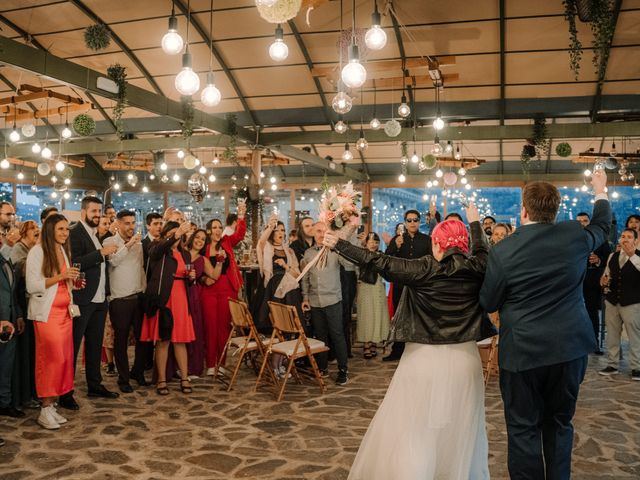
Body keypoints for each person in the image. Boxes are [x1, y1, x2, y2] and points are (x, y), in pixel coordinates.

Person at [324, 204, 492, 479]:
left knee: (416, 428)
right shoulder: (478, 267)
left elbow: (377, 261)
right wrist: (474, 222)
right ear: (463, 245)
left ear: (437, 243)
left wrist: (340, 244)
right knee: (460, 428)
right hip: (465, 362)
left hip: (423, 360)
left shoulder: (423, 269)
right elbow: (483, 250)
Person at [480, 171, 610, 480]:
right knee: (560, 424)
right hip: (569, 350)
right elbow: (603, 226)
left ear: (523, 210)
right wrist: (600, 189)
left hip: (522, 353)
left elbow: (489, 302)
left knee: (523, 429)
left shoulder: (503, 250)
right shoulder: (574, 235)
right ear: (555, 210)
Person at [60, 196, 119, 411]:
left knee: (94, 345)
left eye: (99, 211)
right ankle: (65, 392)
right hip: (82, 298)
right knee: (73, 347)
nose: (97, 215)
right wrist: (100, 253)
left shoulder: (96, 235)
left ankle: (95, 384)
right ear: (84, 212)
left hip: (99, 299)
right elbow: (74, 262)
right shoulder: (75, 233)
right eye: (94, 211)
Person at [26, 214, 81, 429]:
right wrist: (61, 276)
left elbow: (63, 282)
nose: (65, 233)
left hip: (65, 313)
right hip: (47, 315)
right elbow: (32, 285)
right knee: (51, 359)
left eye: (66, 230)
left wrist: (72, 282)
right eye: (60, 229)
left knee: (65, 360)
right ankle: (44, 407)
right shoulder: (37, 252)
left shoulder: (61, 251)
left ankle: (51, 406)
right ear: (50, 230)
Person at [141, 220, 196, 395]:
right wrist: (176, 234)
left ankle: (184, 378)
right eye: (173, 233)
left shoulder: (185, 255)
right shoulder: (159, 248)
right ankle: (162, 379)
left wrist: (191, 277)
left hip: (181, 299)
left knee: (180, 341)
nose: (178, 237)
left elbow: (187, 278)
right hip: (164, 299)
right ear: (166, 235)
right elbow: (155, 252)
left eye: (179, 233)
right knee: (163, 340)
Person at [102, 210, 149, 392]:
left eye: (133, 223)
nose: (131, 227)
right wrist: (128, 245)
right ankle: (123, 378)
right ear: (118, 224)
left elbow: (141, 268)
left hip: (138, 297)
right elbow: (113, 262)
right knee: (120, 341)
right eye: (127, 223)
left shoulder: (138, 245)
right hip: (119, 300)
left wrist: (143, 290)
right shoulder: (109, 242)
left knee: (142, 339)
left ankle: (137, 371)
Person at [201, 204, 247, 376]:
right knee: (210, 327)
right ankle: (210, 363)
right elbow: (197, 266)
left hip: (228, 288)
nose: (218, 230)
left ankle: (221, 363)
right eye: (214, 227)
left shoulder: (227, 242)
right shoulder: (203, 246)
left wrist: (241, 216)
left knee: (224, 329)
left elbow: (240, 234)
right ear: (208, 231)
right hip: (209, 291)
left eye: (220, 227)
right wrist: (204, 279)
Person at [301, 222, 349, 385]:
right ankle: (323, 368)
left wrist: (340, 244)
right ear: (313, 233)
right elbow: (305, 279)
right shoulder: (308, 254)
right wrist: (305, 298)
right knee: (320, 337)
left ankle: (343, 370)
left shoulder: (335, 252)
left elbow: (349, 265)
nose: (322, 234)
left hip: (333, 300)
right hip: (315, 302)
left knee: (337, 335)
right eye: (319, 231)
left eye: (324, 231)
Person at [383, 209, 432, 362]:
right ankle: (398, 350)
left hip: (420, 285)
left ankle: (421, 350)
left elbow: (431, 262)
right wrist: (395, 246)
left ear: (419, 222)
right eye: (409, 220)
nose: (412, 223)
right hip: (400, 284)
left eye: (415, 220)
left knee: (420, 317)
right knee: (399, 318)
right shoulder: (397, 239)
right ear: (405, 222)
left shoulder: (426, 240)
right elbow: (387, 260)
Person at [599, 228, 640, 380]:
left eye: (629, 237)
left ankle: (637, 367)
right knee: (612, 334)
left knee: (635, 336)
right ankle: (612, 364)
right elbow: (606, 274)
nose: (625, 239)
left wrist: (632, 256)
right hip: (612, 301)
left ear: (635, 240)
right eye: (623, 236)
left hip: (633, 302)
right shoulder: (612, 255)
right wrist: (603, 281)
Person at [9, 220, 40, 410]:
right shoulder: (19, 250)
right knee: (26, 352)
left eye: (37, 228)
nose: (37, 231)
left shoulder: (33, 250)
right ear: (23, 233)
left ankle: (32, 392)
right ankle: (24, 395)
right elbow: (23, 274)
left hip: (30, 303)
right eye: (32, 229)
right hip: (22, 303)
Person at [254, 215, 302, 333]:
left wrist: (285, 266)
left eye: (283, 230)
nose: (281, 233)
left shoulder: (289, 251)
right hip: (271, 288)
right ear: (272, 233)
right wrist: (270, 226)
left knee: (291, 291)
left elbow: (297, 275)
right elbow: (261, 242)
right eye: (277, 230)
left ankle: (292, 330)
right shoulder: (267, 248)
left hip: (289, 286)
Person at [576, 212, 610, 354]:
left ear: (589, 222)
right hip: (575, 280)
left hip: (593, 279)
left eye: (585, 221)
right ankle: (575, 344)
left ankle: (594, 344)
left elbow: (609, 257)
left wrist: (598, 261)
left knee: (592, 313)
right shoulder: (571, 240)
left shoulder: (599, 239)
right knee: (574, 313)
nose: (582, 223)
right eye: (579, 221)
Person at [184, 229, 215, 377]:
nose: (199, 241)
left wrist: (221, 262)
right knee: (180, 329)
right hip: (179, 292)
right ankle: (178, 366)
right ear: (192, 237)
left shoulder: (203, 260)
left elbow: (214, 276)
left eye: (203, 240)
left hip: (193, 295)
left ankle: (193, 367)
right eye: (197, 237)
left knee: (194, 328)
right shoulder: (182, 253)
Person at [0, 236, 24, 419]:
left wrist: (18, 315)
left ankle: (4, 403)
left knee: (6, 365)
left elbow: (12, 291)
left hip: (10, 322)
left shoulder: (5, 259)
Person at [355, 233, 389, 360]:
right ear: (366, 243)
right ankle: (366, 344)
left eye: (376, 242)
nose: (374, 244)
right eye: (371, 242)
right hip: (365, 287)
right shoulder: (362, 255)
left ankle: (374, 341)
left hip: (378, 287)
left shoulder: (381, 255)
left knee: (377, 314)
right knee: (367, 315)